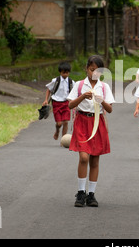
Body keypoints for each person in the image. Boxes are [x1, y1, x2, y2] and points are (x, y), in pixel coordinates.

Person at [67, 55, 115, 208]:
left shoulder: (104, 87)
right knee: (83, 157)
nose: (94, 73)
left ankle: (91, 194)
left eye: (98, 71)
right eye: (91, 69)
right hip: (82, 121)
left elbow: (110, 109)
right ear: (86, 69)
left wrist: (101, 101)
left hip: (97, 122)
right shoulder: (80, 85)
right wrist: (82, 96)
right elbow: (70, 105)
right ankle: (81, 192)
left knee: (94, 159)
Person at [43, 61, 75, 142]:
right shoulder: (55, 81)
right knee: (59, 123)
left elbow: (74, 92)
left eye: (67, 73)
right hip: (56, 103)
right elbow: (49, 89)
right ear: (60, 72)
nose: (65, 74)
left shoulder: (71, 82)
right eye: (63, 73)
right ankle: (57, 130)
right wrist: (46, 100)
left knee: (65, 122)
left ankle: (63, 139)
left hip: (66, 103)